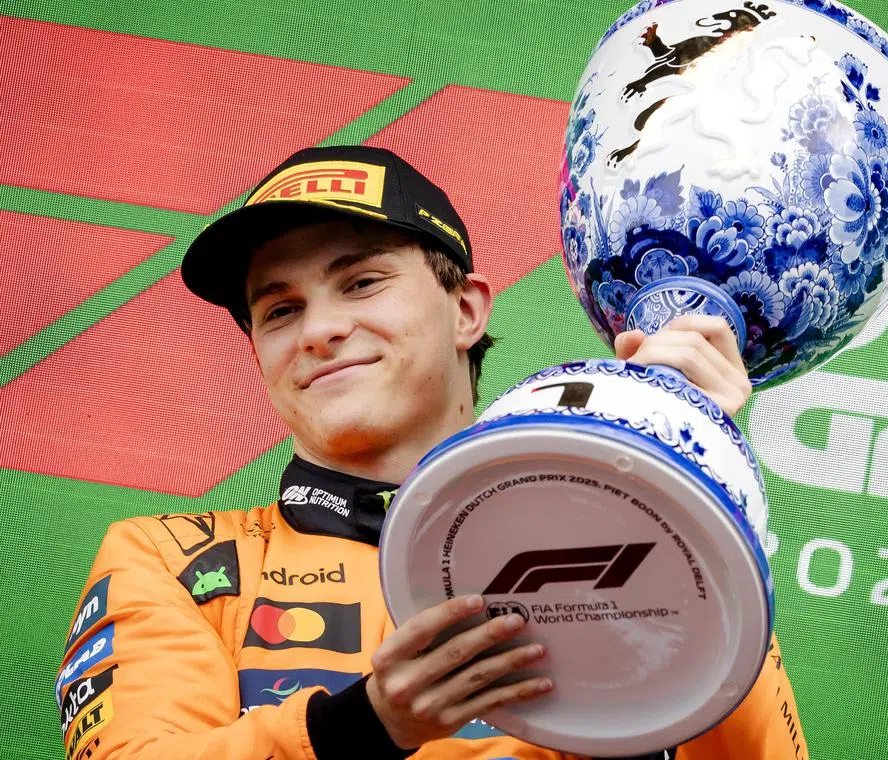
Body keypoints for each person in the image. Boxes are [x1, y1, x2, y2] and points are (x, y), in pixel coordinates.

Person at [55, 145, 809, 760]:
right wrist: (365, 728)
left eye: (362, 282)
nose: (318, 330)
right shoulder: (173, 563)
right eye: (280, 310)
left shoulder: (642, 547)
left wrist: (692, 491)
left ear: (466, 310)